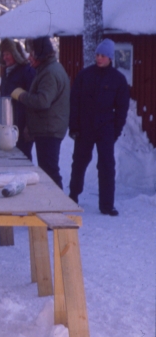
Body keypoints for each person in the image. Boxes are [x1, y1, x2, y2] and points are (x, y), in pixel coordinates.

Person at [68, 39, 130, 216]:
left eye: (103, 55)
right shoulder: (84, 75)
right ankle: (73, 196)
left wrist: (115, 131)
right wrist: (74, 127)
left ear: (110, 57)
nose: (99, 58)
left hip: (105, 128)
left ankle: (107, 204)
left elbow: (122, 108)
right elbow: (74, 102)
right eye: (97, 55)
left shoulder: (118, 79)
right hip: (84, 127)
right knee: (79, 163)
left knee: (106, 166)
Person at [10, 37, 70, 188]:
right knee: (47, 170)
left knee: (50, 171)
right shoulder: (46, 69)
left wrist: (22, 95)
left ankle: (57, 206)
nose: (29, 57)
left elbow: (43, 101)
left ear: (40, 54)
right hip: (47, 128)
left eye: (31, 53)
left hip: (49, 131)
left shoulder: (49, 73)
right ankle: (54, 204)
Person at [0, 38, 35, 160]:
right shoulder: (6, 74)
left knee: (23, 158)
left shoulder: (27, 72)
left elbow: (32, 101)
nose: (5, 57)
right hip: (8, 126)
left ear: (15, 55)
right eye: (3, 54)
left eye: (8, 54)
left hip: (22, 127)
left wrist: (29, 126)